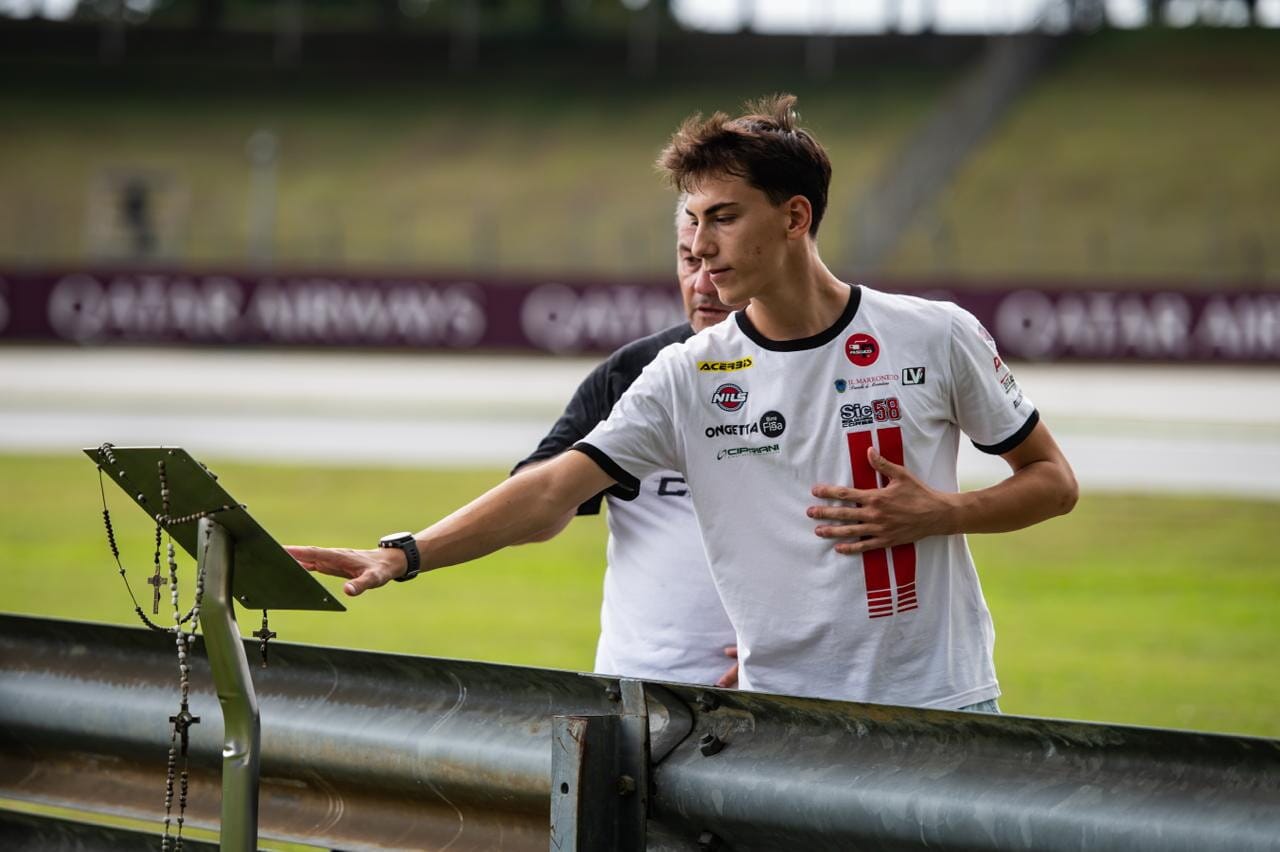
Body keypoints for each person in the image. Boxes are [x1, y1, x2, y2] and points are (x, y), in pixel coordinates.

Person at [287, 94, 1077, 710]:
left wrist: (944, 512)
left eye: (724, 218)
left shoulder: (934, 334)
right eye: (691, 223)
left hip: (940, 699)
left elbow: (1053, 482)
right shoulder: (684, 372)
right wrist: (403, 553)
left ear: (795, 217)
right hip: (780, 719)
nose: (700, 247)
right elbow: (552, 490)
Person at [510, 201, 742, 687]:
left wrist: (797, 647)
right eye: (689, 260)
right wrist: (409, 554)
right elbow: (538, 501)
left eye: (718, 264)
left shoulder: (824, 370)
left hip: (783, 692)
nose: (702, 284)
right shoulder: (636, 372)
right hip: (633, 694)